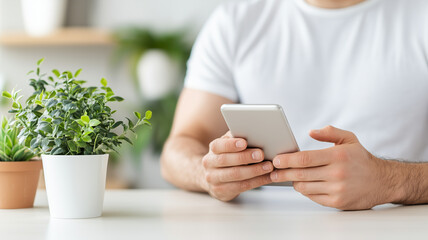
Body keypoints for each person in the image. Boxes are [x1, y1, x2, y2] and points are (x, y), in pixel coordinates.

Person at [160, 0, 428, 210]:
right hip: (269, 228)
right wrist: (206, 173)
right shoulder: (235, 23)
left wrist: (391, 180)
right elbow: (178, 149)